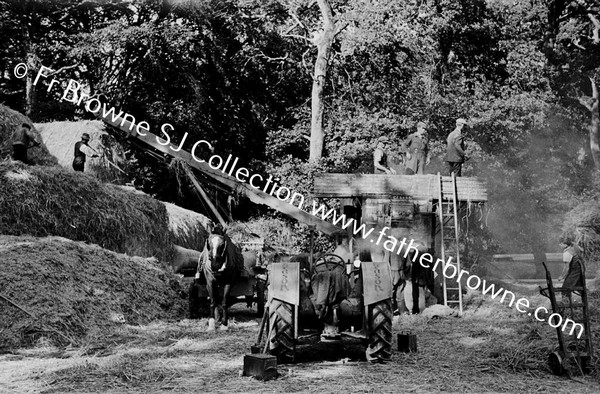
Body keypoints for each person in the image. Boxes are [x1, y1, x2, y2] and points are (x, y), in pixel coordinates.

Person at [558, 234, 585, 302]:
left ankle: (567, 305)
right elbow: (582, 250)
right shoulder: (574, 246)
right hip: (581, 269)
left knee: (565, 289)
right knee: (578, 287)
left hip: (575, 271)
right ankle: (592, 298)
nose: (559, 245)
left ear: (564, 244)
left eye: (560, 244)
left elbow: (566, 267)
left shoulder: (567, 252)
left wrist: (562, 276)